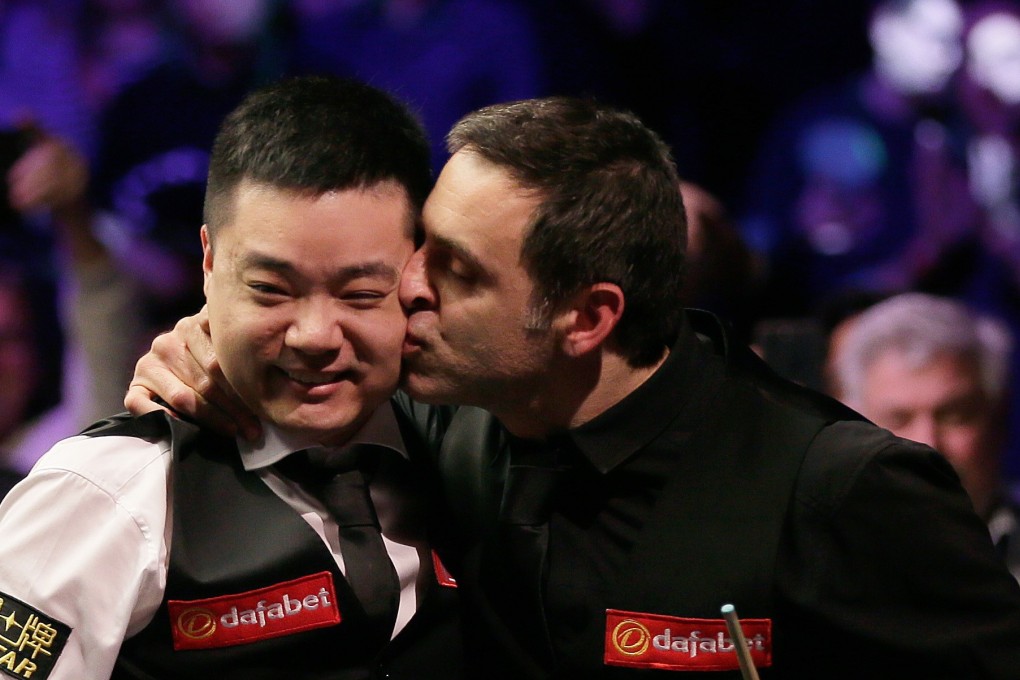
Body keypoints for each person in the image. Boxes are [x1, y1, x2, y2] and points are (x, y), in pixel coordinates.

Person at [128, 96, 1020, 678]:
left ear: (587, 319)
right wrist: (198, 347)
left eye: (460, 272)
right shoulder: (441, 420)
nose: (410, 287)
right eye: (421, 248)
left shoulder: (841, 491)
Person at [0, 75, 464, 679]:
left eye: (361, 292)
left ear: (417, 275)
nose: (315, 335)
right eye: (271, 290)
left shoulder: (477, 449)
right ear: (210, 264)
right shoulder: (105, 496)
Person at [828, 292, 1020, 582]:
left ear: (998, 416)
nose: (928, 443)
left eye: (955, 415)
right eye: (899, 419)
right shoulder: (807, 564)